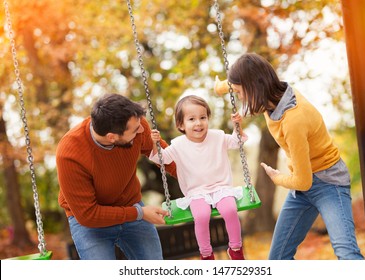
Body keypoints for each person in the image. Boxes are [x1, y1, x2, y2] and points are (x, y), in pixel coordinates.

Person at [214, 53, 364, 260]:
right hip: (302, 186)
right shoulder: (273, 97)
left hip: (328, 184)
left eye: (240, 92)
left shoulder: (293, 119)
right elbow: (236, 83)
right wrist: (220, 87)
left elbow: (303, 181)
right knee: (278, 259)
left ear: (253, 86)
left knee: (346, 253)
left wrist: (277, 178)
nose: (239, 97)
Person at [56, 93, 176, 260]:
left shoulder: (136, 123)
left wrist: (196, 181)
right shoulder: (70, 153)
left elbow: (165, 157)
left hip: (131, 205)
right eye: (135, 130)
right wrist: (139, 213)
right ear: (111, 137)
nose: (142, 130)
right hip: (91, 223)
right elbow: (88, 214)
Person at [149, 95, 247, 260]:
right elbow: (160, 158)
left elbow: (238, 141)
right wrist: (154, 143)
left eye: (203, 117)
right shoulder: (178, 145)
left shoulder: (217, 137)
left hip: (221, 187)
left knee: (230, 210)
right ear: (181, 124)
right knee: (201, 216)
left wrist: (238, 126)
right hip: (196, 192)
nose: (198, 123)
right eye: (191, 119)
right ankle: (206, 254)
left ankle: (236, 249)